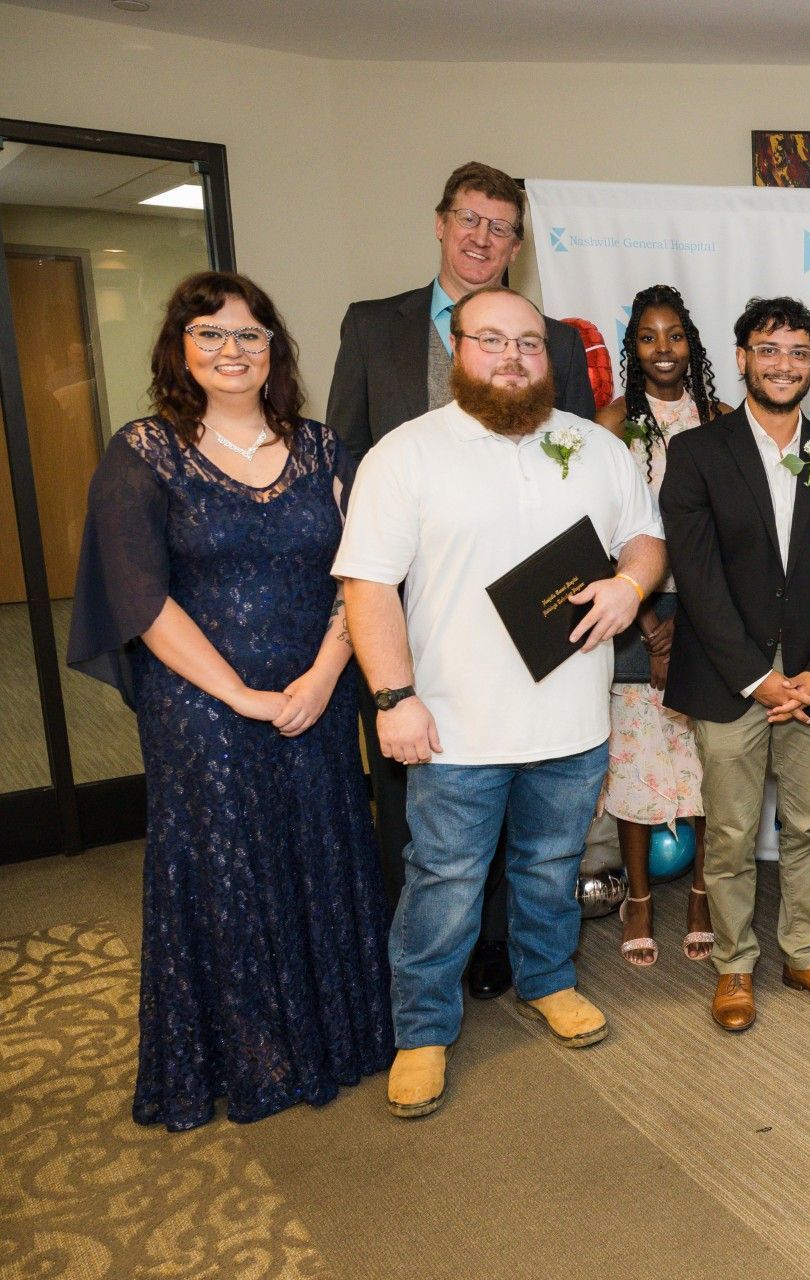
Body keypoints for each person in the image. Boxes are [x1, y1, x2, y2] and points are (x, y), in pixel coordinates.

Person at [67, 271, 391, 1130]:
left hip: (315, 694)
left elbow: (361, 577)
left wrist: (324, 677)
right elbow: (141, 598)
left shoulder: (325, 451)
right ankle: (248, 1056)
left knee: (321, 848)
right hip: (202, 708)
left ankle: (336, 1039)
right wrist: (241, 696)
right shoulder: (143, 452)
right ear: (181, 350)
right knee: (225, 870)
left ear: (274, 349)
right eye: (209, 333)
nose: (231, 350)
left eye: (249, 335)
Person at [335, 286, 665, 1117]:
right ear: (459, 348)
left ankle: (547, 982)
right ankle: (421, 1030)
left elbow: (647, 538)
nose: (513, 357)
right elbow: (367, 588)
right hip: (452, 724)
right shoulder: (404, 455)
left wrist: (631, 586)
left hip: (573, 722)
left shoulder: (597, 447)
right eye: (493, 340)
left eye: (529, 342)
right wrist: (393, 699)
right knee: (443, 882)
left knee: (550, 869)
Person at [325, 160, 596, 1004]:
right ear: (440, 223)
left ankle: (504, 947)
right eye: (469, 220)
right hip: (415, 602)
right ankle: (422, 972)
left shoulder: (549, 340)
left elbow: (578, 455)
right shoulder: (376, 325)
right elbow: (345, 456)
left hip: (533, 608)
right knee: (428, 815)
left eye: (501, 227)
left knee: (537, 806)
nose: (483, 238)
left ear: (518, 245)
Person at [659, 296, 810, 1034]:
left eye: (799, 351)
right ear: (744, 356)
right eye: (770, 348)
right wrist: (758, 677)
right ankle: (734, 967)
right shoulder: (695, 452)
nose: (785, 363)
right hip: (729, 677)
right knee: (731, 830)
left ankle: (806, 956)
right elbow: (696, 575)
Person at [592, 285, 731, 967]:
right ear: (633, 347)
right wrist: (650, 628)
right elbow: (597, 534)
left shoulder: (722, 418)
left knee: (706, 759)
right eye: (648, 337)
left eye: (674, 335)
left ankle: (702, 891)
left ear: (692, 343)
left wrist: (697, 624)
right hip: (630, 608)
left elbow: (739, 534)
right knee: (636, 759)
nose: (664, 350)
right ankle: (640, 898)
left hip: (708, 613)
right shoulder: (612, 423)